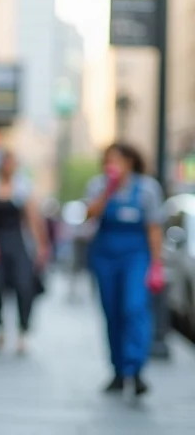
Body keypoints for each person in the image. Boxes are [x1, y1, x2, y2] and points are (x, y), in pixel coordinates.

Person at [84, 142, 164, 398]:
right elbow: (89, 215)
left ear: (129, 162)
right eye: (108, 161)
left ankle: (135, 368)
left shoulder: (147, 189)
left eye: (116, 160)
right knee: (112, 311)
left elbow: (154, 228)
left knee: (134, 307)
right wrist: (108, 190)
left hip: (136, 257)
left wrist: (156, 264)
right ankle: (118, 370)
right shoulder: (98, 186)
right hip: (105, 257)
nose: (112, 165)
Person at [0, 150, 51, 355]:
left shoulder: (23, 186)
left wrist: (41, 245)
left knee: (24, 286)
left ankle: (22, 330)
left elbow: (33, 217)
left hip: (18, 242)